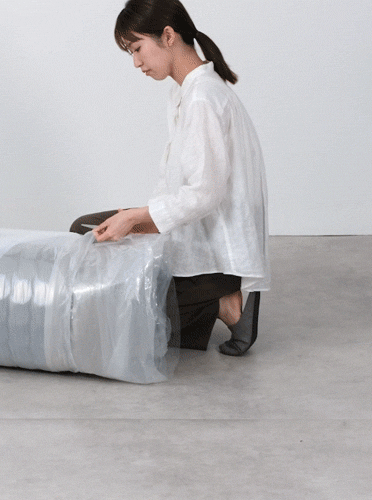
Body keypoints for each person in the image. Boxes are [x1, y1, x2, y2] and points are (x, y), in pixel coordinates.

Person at [70, 0, 270, 356]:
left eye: (137, 48)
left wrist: (136, 218)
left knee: (112, 307)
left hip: (216, 254)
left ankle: (225, 300)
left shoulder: (203, 98)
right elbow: (180, 186)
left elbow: (205, 193)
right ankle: (208, 307)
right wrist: (142, 222)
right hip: (195, 232)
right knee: (87, 234)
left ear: (167, 36)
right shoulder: (186, 91)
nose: (136, 62)